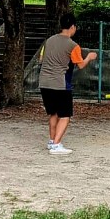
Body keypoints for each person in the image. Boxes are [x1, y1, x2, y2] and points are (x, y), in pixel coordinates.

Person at [39, 12, 97, 155]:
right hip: (60, 83)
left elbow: (41, 59)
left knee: (53, 113)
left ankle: (52, 141)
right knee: (65, 116)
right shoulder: (73, 45)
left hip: (44, 82)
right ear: (72, 27)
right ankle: (56, 145)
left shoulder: (49, 40)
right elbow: (80, 65)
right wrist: (89, 57)